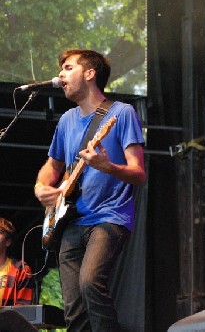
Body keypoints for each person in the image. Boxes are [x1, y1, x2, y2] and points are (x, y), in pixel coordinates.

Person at [33, 49, 146, 331]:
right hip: (70, 221)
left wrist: (107, 166)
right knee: (73, 309)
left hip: (109, 217)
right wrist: (42, 186)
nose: (61, 74)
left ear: (90, 73)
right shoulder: (66, 120)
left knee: (90, 282)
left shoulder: (121, 113)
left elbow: (139, 174)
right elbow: (52, 164)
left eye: (68, 68)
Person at [0, 218, 33, 306]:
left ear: (8, 242)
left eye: (0, 231)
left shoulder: (21, 270)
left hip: (7, 319)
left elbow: (22, 310)